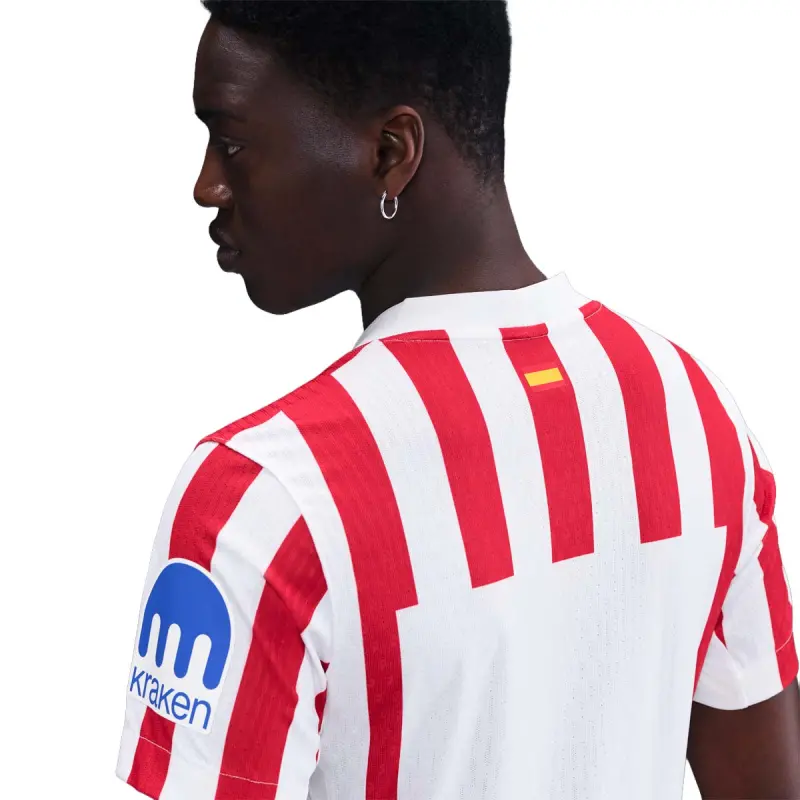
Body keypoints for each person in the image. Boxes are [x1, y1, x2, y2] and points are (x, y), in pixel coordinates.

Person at [115, 2, 800, 798]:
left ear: (390, 152)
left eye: (231, 142)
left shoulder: (262, 498)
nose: (207, 186)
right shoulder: (696, 419)